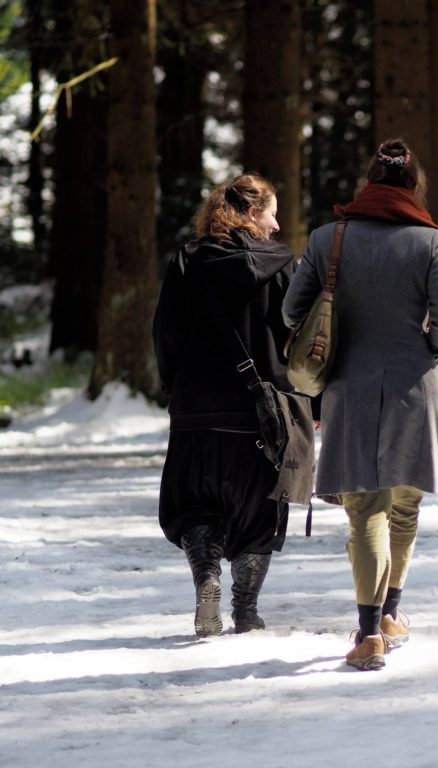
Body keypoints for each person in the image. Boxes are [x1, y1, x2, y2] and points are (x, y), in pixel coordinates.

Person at [283, 138, 438, 671]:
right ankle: (391, 614)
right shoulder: (430, 242)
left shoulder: (326, 237)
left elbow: (295, 309)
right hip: (416, 385)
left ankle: (367, 635)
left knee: (366, 509)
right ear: (413, 186)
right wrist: (427, 352)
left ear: (368, 180)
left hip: (349, 388)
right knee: (405, 507)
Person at [153, 173, 298, 637]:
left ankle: (207, 578)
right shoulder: (282, 266)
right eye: (272, 213)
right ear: (253, 214)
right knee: (261, 509)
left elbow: (166, 334)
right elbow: (295, 339)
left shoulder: (187, 261)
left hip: (197, 410)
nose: (276, 226)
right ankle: (248, 609)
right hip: (262, 412)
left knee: (197, 506)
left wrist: (175, 388)